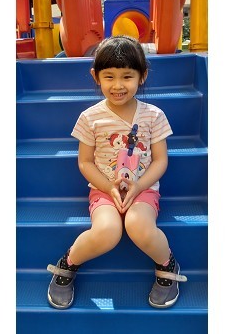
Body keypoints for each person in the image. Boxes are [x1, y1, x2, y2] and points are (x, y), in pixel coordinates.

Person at [46, 35, 187, 310]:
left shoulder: (154, 116)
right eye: (109, 76)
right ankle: (68, 263)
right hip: (104, 191)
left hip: (143, 189)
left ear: (142, 76)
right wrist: (108, 187)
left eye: (127, 76)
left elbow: (160, 161)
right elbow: (85, 162)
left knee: (138, 225)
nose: (118, 85)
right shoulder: (89, 118)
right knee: (108, 230)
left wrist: (139, 187)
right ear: (95, 76)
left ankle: (167, 264)